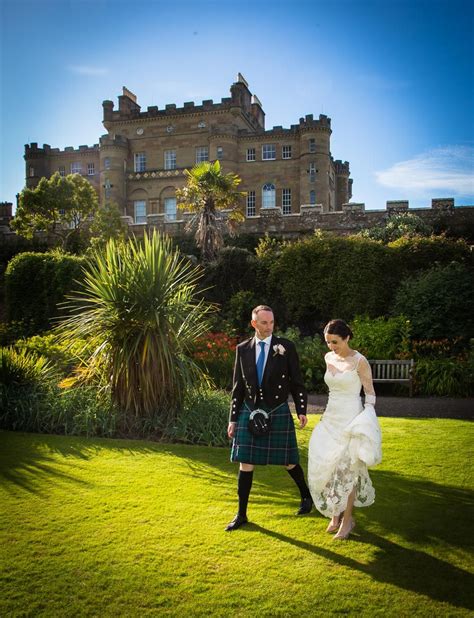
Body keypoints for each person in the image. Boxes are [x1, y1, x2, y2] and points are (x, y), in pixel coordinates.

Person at [226, 305, 313, 531]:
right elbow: (237, 387)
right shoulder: (243, 348)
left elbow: (297, 382)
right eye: (264, 323)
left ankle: (306, 496)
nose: (269, 326)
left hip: (276, 409)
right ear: (254, 323)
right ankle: (241, 514)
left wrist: (301, 410)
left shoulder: (285, 347)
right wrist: (233, 419)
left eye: (272, 322)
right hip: (250, 408)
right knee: (246, 462)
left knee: (288, 460)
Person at [308, 319, 382, 540]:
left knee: (347, 469)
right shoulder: (328, 357)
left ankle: (347, 520)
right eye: (328, 342)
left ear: (347, 338)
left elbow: (370, 393)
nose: (331, 346)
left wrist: (366, 418)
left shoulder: (360, 361)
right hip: (330, 417)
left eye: (335, 342)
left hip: (351, 418)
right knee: (329, 466)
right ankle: (335, 514)